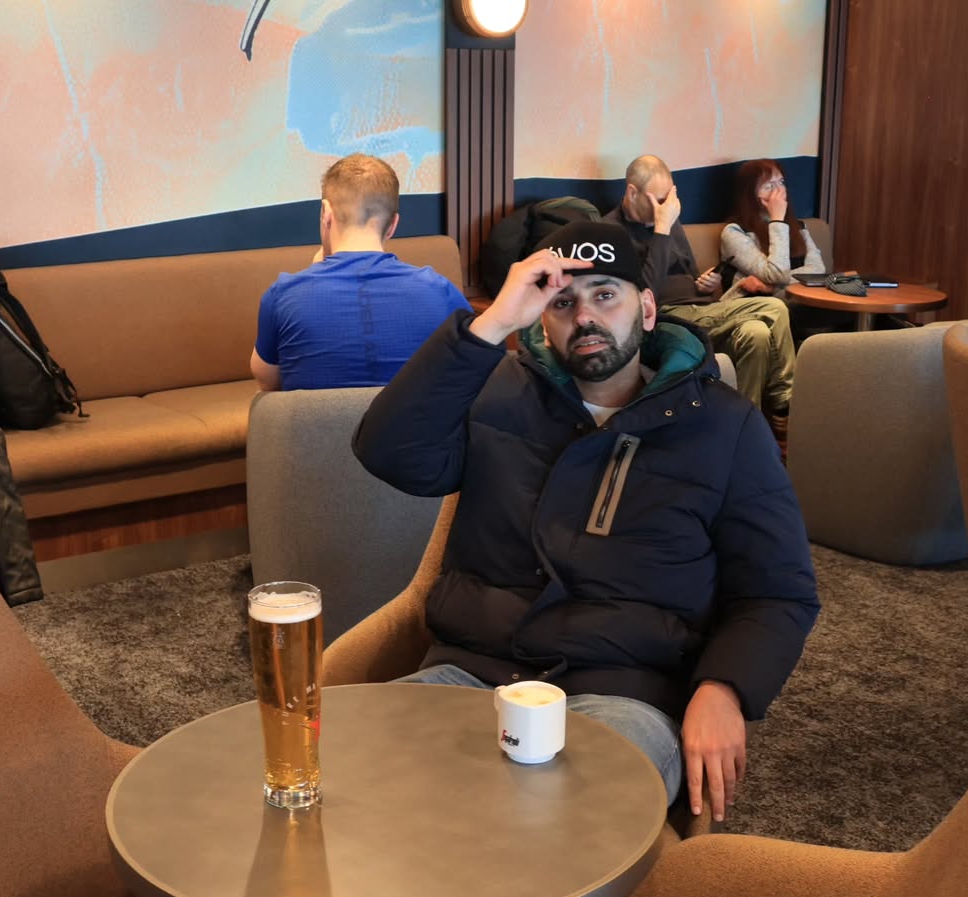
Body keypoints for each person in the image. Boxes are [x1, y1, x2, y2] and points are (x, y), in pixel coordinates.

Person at [352, 220, 819, 824]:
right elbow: (389, 452)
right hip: (471, 672)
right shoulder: (495, 393)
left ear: (646, 309)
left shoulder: (723, 427)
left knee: (564, 823)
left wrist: (724, 688)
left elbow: (777, 591)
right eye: (562, 303)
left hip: (624, 691)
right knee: (353, 777)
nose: (585, 317)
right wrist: (491, 323)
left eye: (605, 295)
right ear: (541, 322)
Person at [603, 154, 797, 454]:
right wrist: (662, 230)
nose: (667, 207)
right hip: (666, 319)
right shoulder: (612, 233)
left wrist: (707, 284)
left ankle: (745, 431)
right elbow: (643, 296)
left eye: (670, 198)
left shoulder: (670, 222)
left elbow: (689, 279)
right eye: (661, 200)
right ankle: (784, 403)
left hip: (699, 310)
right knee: (773, 308)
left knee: (756, 334)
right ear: (632, 193)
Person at [250, 154, 470, 392]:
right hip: (412, 418)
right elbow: (469, 369)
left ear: (325, 213)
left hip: (318, 419)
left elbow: (268, 383)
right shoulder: (441, 293)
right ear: (393, 225)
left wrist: (312, 274)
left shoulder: (282, 296)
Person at [720, 158, 826, 300]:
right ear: (750, 194)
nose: (779, 191)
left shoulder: (799, 227)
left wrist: (773, 287)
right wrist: (777, 220)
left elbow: (818, 270)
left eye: (781, 182)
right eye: (769, 186)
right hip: (756, 304)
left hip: (795, 299)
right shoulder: (734, 231)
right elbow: (776, 275)